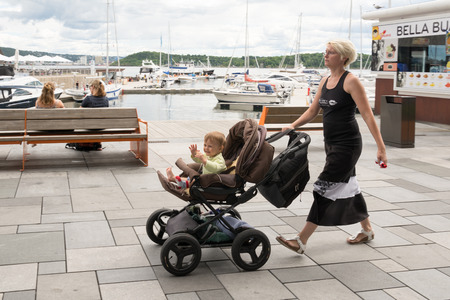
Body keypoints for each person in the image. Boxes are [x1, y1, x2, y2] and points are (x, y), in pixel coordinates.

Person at [276, 39, 388, 254]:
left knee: (323, 188)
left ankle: (301, 240)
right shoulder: (325, 80)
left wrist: (381, 147)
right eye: (325, 52)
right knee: (349, 186)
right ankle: (367, 230)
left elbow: (367, 115)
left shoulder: (351, 81)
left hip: (348, 146)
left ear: (344, 57)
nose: (325, 55)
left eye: (331, 52)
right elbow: (312, 111)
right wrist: (292, 125)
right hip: (332, 144)